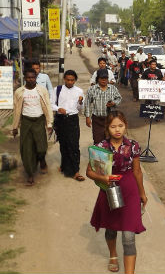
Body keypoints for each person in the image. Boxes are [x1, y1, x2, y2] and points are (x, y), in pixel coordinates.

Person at [86, 111, 147, 274]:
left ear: (125, 126)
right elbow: (89, 172)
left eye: (120, 126)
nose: (117, 130)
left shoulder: (133, 145)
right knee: (111, 228)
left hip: (130, 190)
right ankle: (113, 254)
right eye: (113, 126)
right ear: (107, 128)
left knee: (128, 236)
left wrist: (142, 193)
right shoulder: (100, 148)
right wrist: (103, 178)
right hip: (109, 190)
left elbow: (137, 171)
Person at [12, 68, 54, 185]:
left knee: (41, 148)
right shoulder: (19, 92)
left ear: (36, 78)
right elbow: (16, 110)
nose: (31, 79)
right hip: (26, 122)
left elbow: (48, 107)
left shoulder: (41, 90)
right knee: (26, 149)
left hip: (39, 121)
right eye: (28, 77)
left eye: (33, 77)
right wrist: (15, 127)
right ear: (25, 78)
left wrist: (49, 123)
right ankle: (30, 174)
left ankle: (42, 160)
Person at [51, 70, 85, 181]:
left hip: (73, 120)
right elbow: (51, 104)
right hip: (61, 119)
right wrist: (58, 109)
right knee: (63, 144)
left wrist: (80, 102)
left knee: (74, 145)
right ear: (64, 79)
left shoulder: (79, 91)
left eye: (72, 80)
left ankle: (76, 171)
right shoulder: (58, 90)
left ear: (75, 80)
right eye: (68, 79)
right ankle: (64, 166)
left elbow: (80, 108)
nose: (70, 82)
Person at [84, 69, 122, 144]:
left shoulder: (112, 88)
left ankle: (110, 155)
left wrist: (114, 103)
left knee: (110, 140)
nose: (104, 81)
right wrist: (87, 117)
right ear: (98, 79)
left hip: (110, 119)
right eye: (102, 79)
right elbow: (87, 103)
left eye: (106, 79)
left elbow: (119, 98)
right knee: (97, 140)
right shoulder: (92, 89)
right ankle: (99, 155)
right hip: (97, 119)